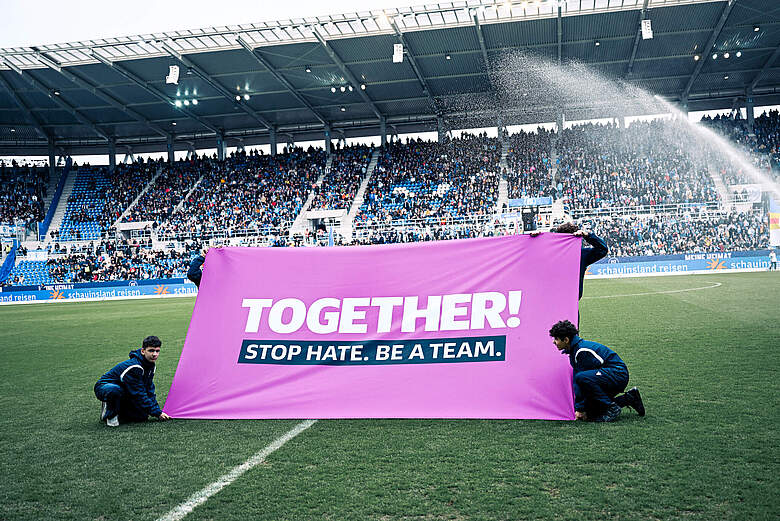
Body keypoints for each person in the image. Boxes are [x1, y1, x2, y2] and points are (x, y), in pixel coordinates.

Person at [549, 319, 645, 422]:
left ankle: (611, 408)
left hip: (618, 375)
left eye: (556, 339)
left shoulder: (581, 351)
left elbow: (581, 379)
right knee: (591, 412)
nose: (554, 342)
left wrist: (580, 408)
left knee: (581, 377)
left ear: (566, 340)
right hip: (608, 375)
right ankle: (630, 398)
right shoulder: (575, 350)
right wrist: (581, 408)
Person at [94, 336, 171, 427]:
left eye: (157, 351)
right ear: (143, 351)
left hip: (125, 389)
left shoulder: (151, 366)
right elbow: (138, 393)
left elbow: (149, 389)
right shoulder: (134, 367)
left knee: (141, 417)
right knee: (114, 390)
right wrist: (157, 413)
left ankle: (119, 409)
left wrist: (157, 411)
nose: (155, 354)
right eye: (151, 350)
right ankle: (110, 413)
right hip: (105, 387)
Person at [552, 222, 608, 299]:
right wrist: (534, 239)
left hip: (567, 301)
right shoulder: (552, 253)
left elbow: (602, 250)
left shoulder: (581, 254)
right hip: (558, 299)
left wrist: (587, 235)